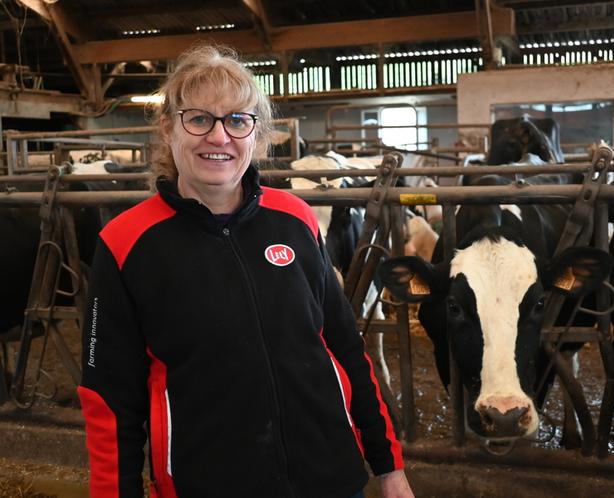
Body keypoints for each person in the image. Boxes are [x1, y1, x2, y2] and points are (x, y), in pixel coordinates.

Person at [78, 44, 414, 498]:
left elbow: (346, 349)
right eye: (199, 118)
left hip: (331, 480)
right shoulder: (126, 243)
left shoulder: (294, 219)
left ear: (256, 135)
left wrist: (390, 468)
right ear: (167, 127)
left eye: (238, 120)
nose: (219, 137)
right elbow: (110, 402)